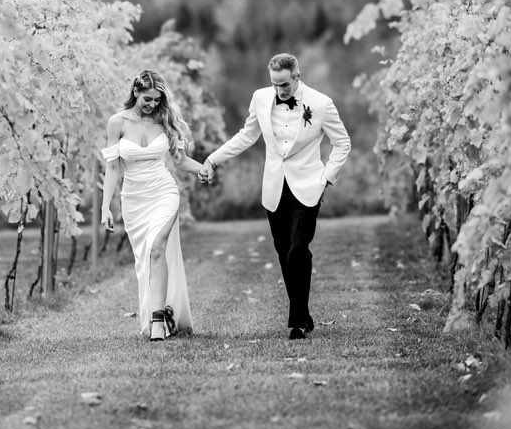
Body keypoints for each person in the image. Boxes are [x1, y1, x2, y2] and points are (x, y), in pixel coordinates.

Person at [199, 53, 351, 340]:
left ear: (297, 75)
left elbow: (342, 143)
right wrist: (213, 159)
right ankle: (304, 313)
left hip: (308, 185)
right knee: (283, 250)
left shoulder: (321, 103)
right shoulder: (260, 98)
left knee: (298, 249)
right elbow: (246, 136)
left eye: (284, 84)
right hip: (274, 186)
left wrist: (327, 176)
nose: (279, 90)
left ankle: (295, 322)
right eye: (275, 84)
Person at [101, 70, 203, 341]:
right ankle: (161, 314)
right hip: (133, 199)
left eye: (158, 100)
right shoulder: (117, 123)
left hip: (163, 191)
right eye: (148, 99)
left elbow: (180, 160)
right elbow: (112, 168)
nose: (152, 105)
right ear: (136, 91)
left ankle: (157, 321)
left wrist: (203, 168)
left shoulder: (164, 121)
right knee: (145, 257)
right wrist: (105, 207)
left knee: (157, 248)